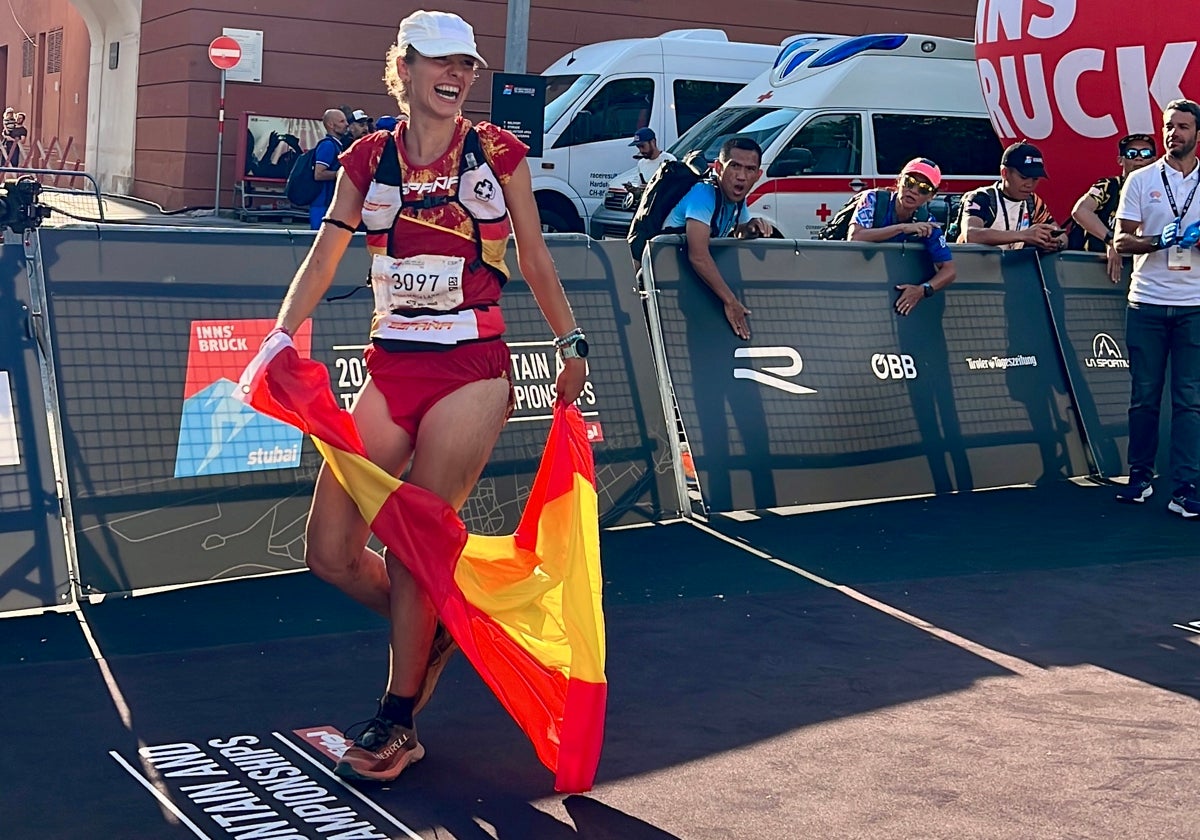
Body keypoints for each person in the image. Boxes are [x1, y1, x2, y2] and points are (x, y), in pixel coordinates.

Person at [269, 9, 587, 781]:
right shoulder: (365, 159)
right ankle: (446, 622)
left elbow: (536, 255)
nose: (458, 75)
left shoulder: (496, 152)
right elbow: (324, 254)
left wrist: (569, 339)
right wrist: (279, 336)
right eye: (442, 62)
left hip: (474, 367)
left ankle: (398, 717)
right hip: (393, 367)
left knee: (416, 542)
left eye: (468, 65)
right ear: (404, 67)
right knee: (330, 552)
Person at [1112, 99, 1200, 516]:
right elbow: (1121, 242)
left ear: (1197, 134)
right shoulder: (1141, 180)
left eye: (1182, 126)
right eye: (1169, 126)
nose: (1173, 133)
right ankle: (1140, 476)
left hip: (1194, 306)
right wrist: (1156, 241)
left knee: (1189, 400)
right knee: (1144, 397)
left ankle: (1186, 486)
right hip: (1147, 301)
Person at [662, 136, 773, 338]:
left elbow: (740, 231)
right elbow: (698, 256)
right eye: (735, 166)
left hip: (689, 286)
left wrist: (753, 227)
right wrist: (731, 302)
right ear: (719, 168)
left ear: (758, 175)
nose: (742, 176)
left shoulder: (738, 200)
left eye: (749, 169)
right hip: (663, 285)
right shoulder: (703, 194)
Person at [847, 157, 956, 316]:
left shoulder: (927, 222)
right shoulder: (873, 199)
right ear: (899, 181)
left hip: (891, 295)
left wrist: (922, 290)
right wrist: (902, 228)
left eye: (923, 188)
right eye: (909, 182)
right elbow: (855, 236)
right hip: (855, 282)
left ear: (931, 196)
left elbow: (949, 270)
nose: (913, 190)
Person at [1071, 133, 1158, 282]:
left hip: (1145, 274)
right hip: (1096, 271)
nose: (1139, 158)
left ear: (1154, 160)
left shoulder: (1161, 192)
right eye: (1131, 153)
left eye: (1145, 153)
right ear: (1120, 160)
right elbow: (1080, 211)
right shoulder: (1108, 186)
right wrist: (1112, 241)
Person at [958, 141, 1067, 252]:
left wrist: (1056, 243)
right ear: (1004, 173)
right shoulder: (981, 198)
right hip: (973, 266)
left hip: (1010, 268)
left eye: (1035, 179)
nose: (1029, 185)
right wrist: (1023, 235)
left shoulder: (1033, 202)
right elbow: (971, 234)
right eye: (1024, 177)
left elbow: (1061, 234)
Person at [309, 108, 348, 230]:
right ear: (331, 125)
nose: (346, 124)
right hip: (322, 204)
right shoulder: (328, 145)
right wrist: (341, 174)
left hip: (326, 203)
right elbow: (319, 174)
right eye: (342, 121)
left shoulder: (336, 145)